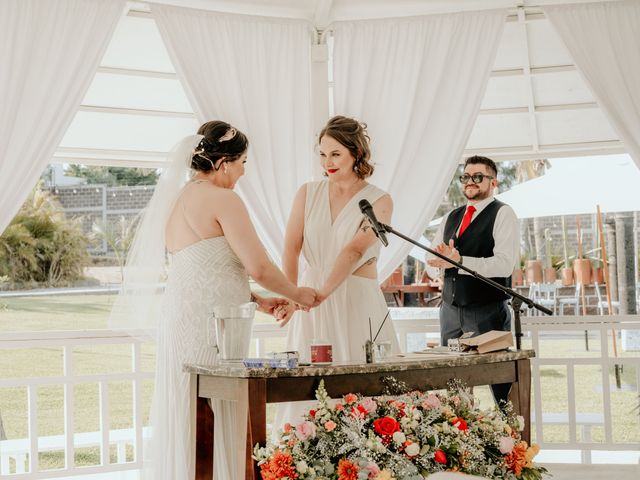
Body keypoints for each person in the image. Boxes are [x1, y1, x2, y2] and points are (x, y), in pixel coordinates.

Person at [116, 121, 316, 480]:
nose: (242, 173)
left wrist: (258, 300)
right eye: (242, 163)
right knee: (220, 404)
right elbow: (258, 264)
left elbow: (205, 269)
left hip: (184, 320)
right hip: (214, 330)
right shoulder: (224, 199)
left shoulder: (177, 200)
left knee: (190, 406)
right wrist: (296, 293)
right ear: (224, 163)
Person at [276, 115, 400, 362]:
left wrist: (323, 293)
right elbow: (291, 248)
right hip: (310, 296)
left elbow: (353, 251)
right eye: (322, 155)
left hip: (354, 297)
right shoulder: (307, 193)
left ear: (356, 153)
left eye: (335, 154)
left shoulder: (379, 200)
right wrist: (291, 295)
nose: (327, 163)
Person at [427, 155, 519, 408]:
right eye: (466, 177)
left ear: (493, 182)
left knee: (500, 385)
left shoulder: (503, 213)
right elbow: (431, 255)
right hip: (450, 310)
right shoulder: (451, 217)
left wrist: (459, 260)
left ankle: (511, 441)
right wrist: (437, 261)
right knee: (455, 383)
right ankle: (463, 439)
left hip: (487, 310)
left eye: (478, 177)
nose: (470, 181)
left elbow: (504, 264)